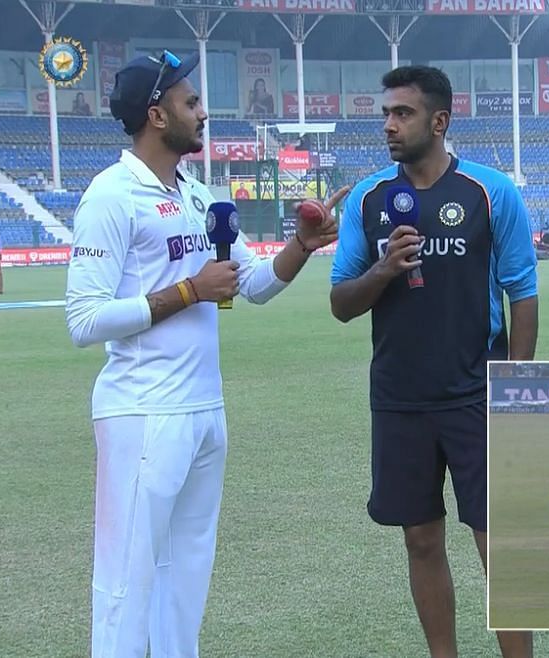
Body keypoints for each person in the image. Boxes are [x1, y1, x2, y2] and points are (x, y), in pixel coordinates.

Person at [64, 48, 342, 658]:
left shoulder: (196, 194)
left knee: (184, 576)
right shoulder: (112, 195)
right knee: (124, 581)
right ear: (157, 115)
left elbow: (257, 284)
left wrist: (301, 245)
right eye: (191, 102)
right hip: (142, 412)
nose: (203, 112)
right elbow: (83, 320)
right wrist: (189, 291)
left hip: (202, 412)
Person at [329, 65, 537, 658]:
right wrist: (384, 268)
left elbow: (521, 293)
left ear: (439, 121)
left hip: (477, 394)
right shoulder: (369, 200)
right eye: (385, 115)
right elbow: (343, 303)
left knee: (499, 545)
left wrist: (515, 388)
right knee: (420, 540)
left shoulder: (491, 192)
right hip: (400, 398)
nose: (389, 126)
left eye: (403, 114)